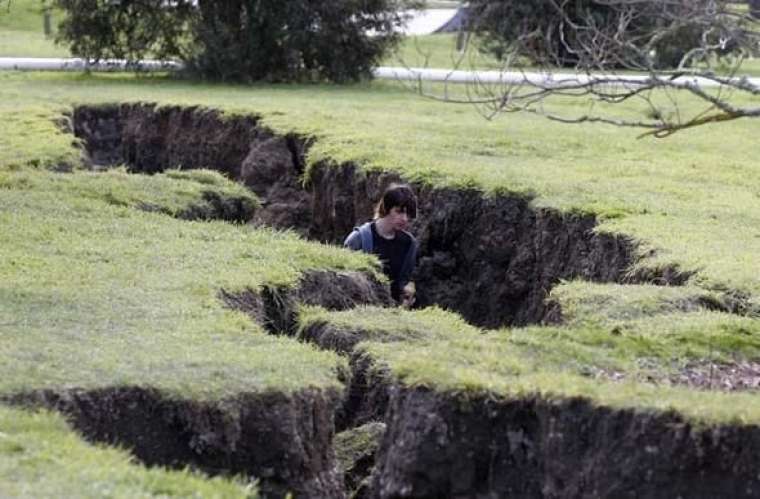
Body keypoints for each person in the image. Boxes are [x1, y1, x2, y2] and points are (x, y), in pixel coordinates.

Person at [344, 184, 419, 307]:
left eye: (408, 214)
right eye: (399, 212)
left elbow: (405, 280)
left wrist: (407, 291)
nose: (404, 218)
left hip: (392, 312)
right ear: (386, 209)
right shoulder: (359, 239)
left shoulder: (408, 243)